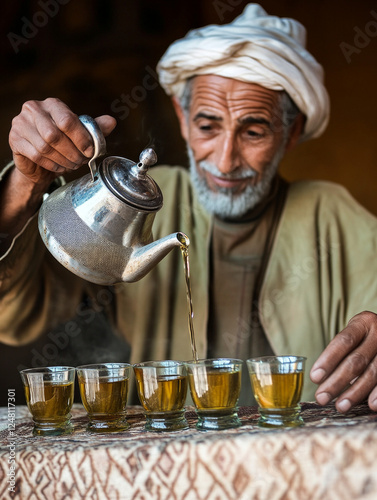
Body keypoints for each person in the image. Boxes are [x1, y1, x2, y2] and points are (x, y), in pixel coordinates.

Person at [1, 4, 377, 409]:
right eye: (207, 127)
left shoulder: (335, 218)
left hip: (294, 460)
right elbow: (14, 316)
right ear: (182, 118)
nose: (226, 159)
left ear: (292, 132)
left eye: (253, 131)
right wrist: (27, 184)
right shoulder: (137, 203)